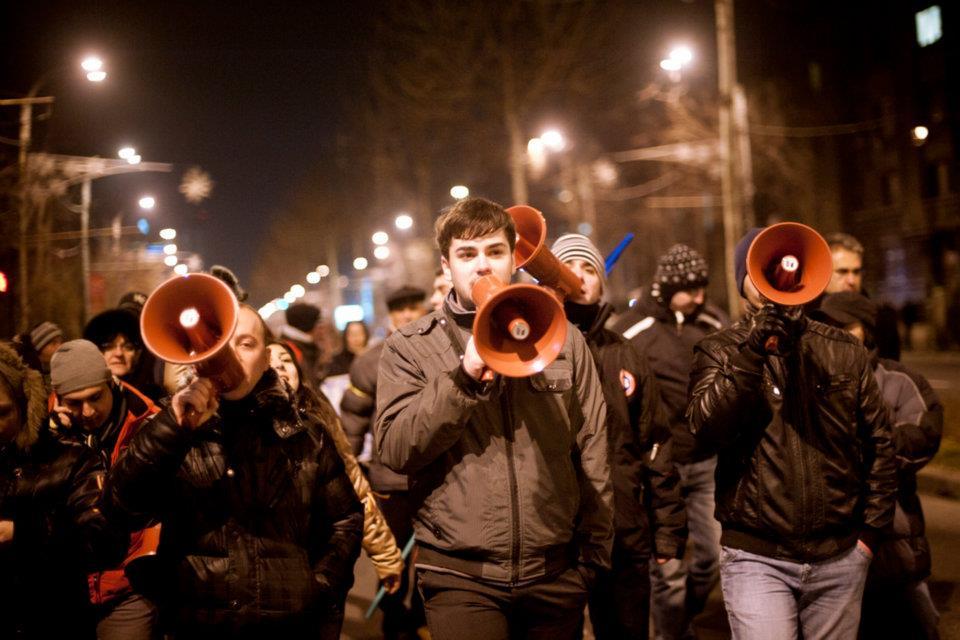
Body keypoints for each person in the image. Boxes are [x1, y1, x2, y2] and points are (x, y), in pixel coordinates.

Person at [375, 197, 612, 640]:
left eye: (495, 252)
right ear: (446, 266)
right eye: (467, 254)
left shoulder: (564, 339)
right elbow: (396, 449)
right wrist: (461, 380)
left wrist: (593, 559)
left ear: (513, 261)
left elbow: (593, 443)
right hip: (460, 577)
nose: (482, 266)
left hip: (555, 574)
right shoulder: (408, 347)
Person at [104, 301, 364, 638]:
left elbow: (345, 520)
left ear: (266, 356)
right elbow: (120, 509)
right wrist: (172, 430)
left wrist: (318, 588)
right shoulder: (170, 427)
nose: (233, 355)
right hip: (199, 626)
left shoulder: (304, 432)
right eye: (221, 343)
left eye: (246, 343)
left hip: (288, 628)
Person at [686, 227, 897, 640]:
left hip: (840, 557)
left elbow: (879, 444)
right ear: (741, 280)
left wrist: (869, 537)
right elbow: (706, 429)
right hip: (756, 557)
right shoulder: (720, 350)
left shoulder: (844, 350)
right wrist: (752, 351)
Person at [552, 234, 686, 640]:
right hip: (555, 536)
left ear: (601, 283)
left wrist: (666, 527)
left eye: (589, 268)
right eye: (567, 269)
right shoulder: (529, 352)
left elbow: (655, 442)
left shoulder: (626, 353)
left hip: (622, 531)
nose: (578, 277)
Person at [612, 243, 727, 640]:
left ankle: (680, 622)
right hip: (661, 468)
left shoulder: (713, 322)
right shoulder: (631, 328)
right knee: (668, 572)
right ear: (667, 287)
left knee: (711, 559)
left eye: (703, 287)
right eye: (690, 288)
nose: (699, 296)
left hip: (707, 462)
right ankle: (670, 633)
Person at [813, 292, 943, 640]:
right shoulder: (810, 381)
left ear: (867, 331)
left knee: (919, 627)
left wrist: (860, 440)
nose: (835, 334)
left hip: (895, 550)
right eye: (828, 326)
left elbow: (919, 440)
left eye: (846, 326)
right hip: (831, 552)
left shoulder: (900, 381)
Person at [0, 342, 127, 639]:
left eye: (3, 412)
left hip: (65, 616)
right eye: (75, 402)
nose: (88, 411)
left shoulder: (72, 458)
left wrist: (21, 533)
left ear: (25, 405)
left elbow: (102, 537)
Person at [267, 341, 404, 600]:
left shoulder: (321, 418)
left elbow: (355, 486)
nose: (278, 365)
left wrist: (386, 555)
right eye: (268, 361)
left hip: (319, 562)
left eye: (285, 359)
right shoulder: (244, 423)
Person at [49, 339, 162, 639]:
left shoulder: (148, 426)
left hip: (127, 586)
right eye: (74, 402)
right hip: (63, 587)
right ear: (57, 397)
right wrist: (56, 443)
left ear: (110, 383)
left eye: (94, 397)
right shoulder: (42, 432)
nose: (87, 412)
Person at [340, 284, 429, 640]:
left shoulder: (441, 352)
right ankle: (394, 621)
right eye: (399, 309)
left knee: (432, 559)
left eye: (412, 307)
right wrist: (350, 474)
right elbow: (353, 420)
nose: (407, 315)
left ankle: (424, 618)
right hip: (389, 480)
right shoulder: (370, 361)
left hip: (436, 478)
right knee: (392, 557)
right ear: (390, 315)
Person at [824, 232, 901, 360]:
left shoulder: (882, 318)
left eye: (856, 272)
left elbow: (890, 370)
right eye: (842, 272)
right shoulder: (803, 317)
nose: (851, 280)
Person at [84, 307, 164, 401]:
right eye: (109, 347)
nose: (119, 353)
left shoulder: (157, 398)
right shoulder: (83, 397)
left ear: (138, 354)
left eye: (128, 347)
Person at [281, 302, 323, 385]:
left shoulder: (303, 346)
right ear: (308, 325)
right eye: (318, 324)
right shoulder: (292, 350)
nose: (321, 329)